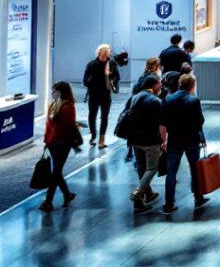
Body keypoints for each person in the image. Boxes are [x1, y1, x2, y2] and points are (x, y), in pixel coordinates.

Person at [160, 73, 209, 214]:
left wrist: (163, 141)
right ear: (192, 86)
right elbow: (200, 121)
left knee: (171, 172)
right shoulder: (193, 101)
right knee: (194, 169)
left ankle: (168, 203)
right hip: (191, 140)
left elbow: (162, 123)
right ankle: (198, 197)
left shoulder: (168, 99)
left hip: (174, 140)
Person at [127, 75, 166, 213]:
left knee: (141, 169)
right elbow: (160, 123)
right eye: (159, 83)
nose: (161, 85)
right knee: (152, 168)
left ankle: (141, 201)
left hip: (136, 139)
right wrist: (163, 140)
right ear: (153, 85)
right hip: (151, 140)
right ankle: (138, 192)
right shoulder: (156, 101)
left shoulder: (135, 97)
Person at [39, 81, 80, 211]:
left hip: (61, 143)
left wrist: (50, 140)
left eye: (54, 91)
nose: (52, 93)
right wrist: (47, 141)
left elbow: (66, 127)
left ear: (61, 92)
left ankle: (48, 201)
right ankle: (67, 195)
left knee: (56, 172)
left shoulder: (67, 107)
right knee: (57, 171)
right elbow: (49, 126)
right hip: (54, 142)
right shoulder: (54, 106)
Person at [82, 44, 120, 149]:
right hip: (94, 94)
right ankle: (93, 136)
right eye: (102, 53)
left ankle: (101, 141)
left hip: (106, 94)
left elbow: (117, 76)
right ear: (98, 53)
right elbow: (85, 81)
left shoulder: (111, 64)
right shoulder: (91, 65)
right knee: (92, 116)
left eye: (106, 54)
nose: (104, 56)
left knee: (104, 117)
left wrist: (111, 78)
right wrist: (92, 79)